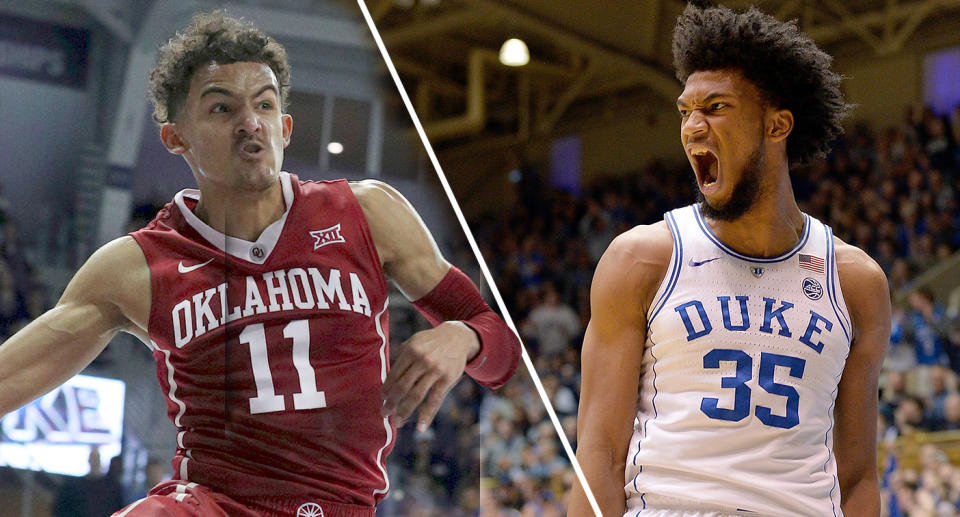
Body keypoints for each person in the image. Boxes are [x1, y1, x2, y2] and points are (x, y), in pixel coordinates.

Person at [0, 11, 520, 517]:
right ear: (175, 136)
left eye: (265, 105)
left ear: (286, 127)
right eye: (221, 109)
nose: (250, 123)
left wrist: (463, 336)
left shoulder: (367, 213)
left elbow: (502, 354)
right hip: (209, 505)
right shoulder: (136, 266)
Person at [569, 4, 890, 516]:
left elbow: (856, 478)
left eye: (716, 107)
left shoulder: (854, 282)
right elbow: (600, 457)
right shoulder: (643, 259)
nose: (693, 127)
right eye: (685, 111)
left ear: (777, 124)